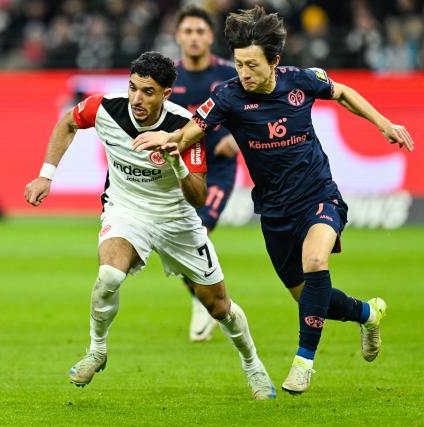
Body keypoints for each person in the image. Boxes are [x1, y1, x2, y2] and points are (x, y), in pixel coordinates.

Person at [132, 6, 414, 395]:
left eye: (252, 65)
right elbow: (192, 130)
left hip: (319, 196)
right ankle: (368, 313)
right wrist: (167, 141)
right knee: (312, 298)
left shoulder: (301, 81)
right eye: (238, 64)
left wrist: (384, 123)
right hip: (273, 210)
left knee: (315, 261)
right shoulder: (227, 96)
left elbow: (344, 92)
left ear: (274, 62)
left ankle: (303, 363)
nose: (244, 73)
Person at [24, 51, 276, 400]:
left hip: (176, 219)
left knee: (219, 306)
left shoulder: (185, 126)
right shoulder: (104, 108)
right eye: (132, 88)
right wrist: (45, 175)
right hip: (126, 210)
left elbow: (198, 198)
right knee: (109, 276)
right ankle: (97, 349)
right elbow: (67, 122)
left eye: (147, 91)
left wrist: (178, 163)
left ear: (166, 94)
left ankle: (253, 365)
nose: (137, 99)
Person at [170, 5, 240, 343]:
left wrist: (235, 136)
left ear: (211, 37)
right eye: (188, 31)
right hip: (180, 172)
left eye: (200, 31)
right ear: (178, 36)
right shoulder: (167, 78)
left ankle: (209, 300)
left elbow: (251, 113)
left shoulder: (229, 75)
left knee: (197, 229)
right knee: (176, 240)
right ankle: (202, 296)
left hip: (218, 170)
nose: (195, 37)